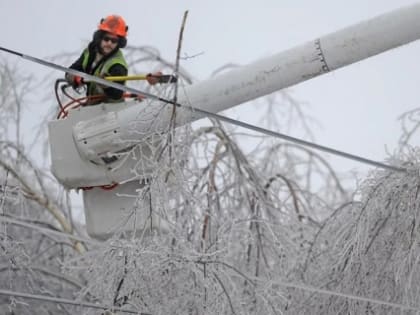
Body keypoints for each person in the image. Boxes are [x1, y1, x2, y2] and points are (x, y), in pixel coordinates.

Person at [65, 15, 160, 105]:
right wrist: (75, 78)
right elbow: (71, 71)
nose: (109, 43)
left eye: (114, 41)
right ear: (100, 38)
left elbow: (117, 93)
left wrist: (106, 85)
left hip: (110, 111)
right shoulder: (90, 52)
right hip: (91, 106)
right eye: (106, 39)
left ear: (119, 43)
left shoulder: (118, 64)